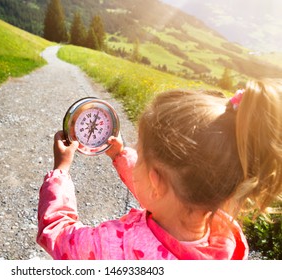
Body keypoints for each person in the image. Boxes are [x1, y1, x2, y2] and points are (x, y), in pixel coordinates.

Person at [37, 79, 282, 260]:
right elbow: (169, 187)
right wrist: (121, 155)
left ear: (155, 181)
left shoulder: (113, 246)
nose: (136, 157)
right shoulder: (227, 239)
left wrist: (61, 171)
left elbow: (58, 235)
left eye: (139, 154)